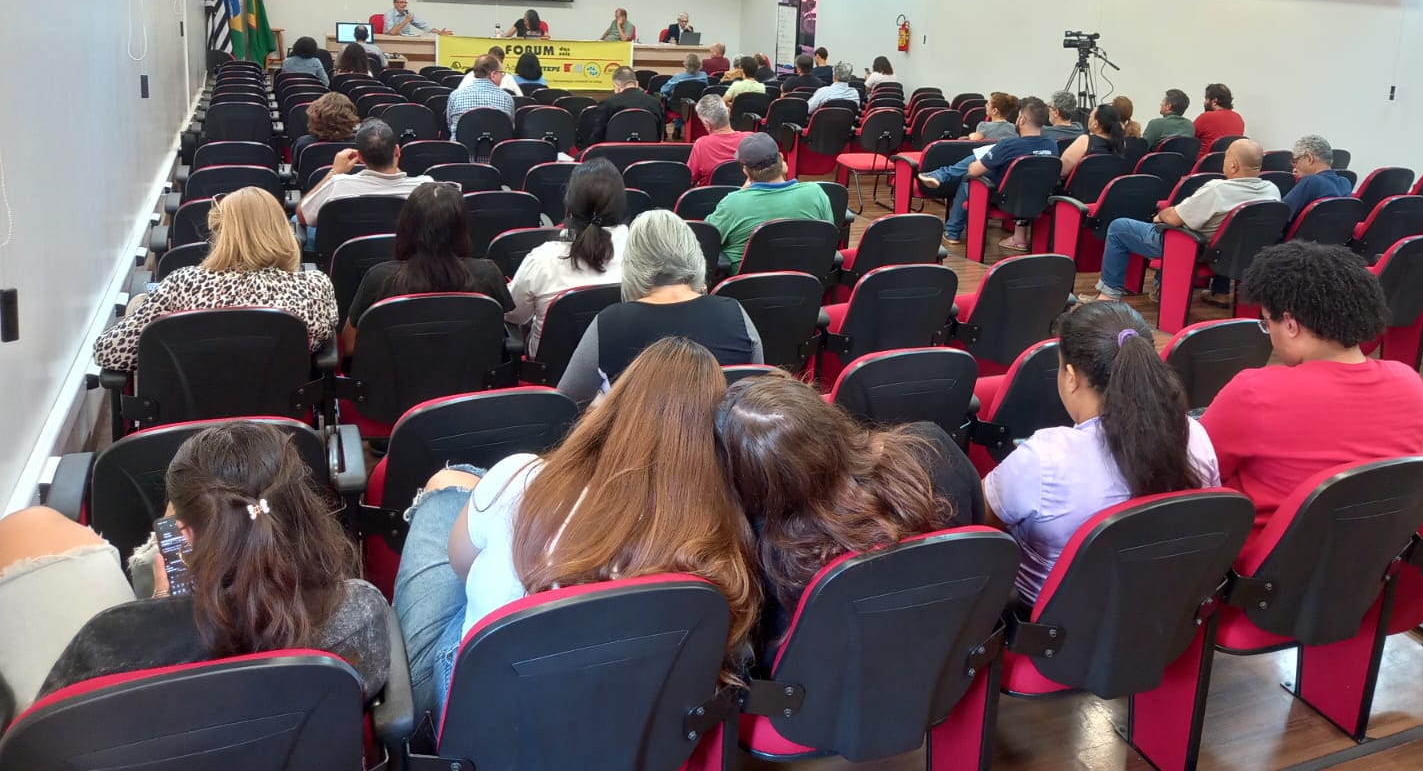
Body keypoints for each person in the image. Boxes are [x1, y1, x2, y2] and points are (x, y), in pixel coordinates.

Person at [392, 336, 760, 717]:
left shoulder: (520, 476)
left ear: (615, 407)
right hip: (623, 723)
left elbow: (460, 564)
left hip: (482, 715)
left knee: (446, 488)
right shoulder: (723, 543)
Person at [0, 422, 390, 713]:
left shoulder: (110, 640)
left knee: (30, 525)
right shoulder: (361, 611)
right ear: (302, 513)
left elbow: (50, 728)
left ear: (183, 536)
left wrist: (161, 607)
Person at [715, 374, 982, 653]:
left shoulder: (768, 562)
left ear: (751, 481)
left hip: (844, 677)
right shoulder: (935, 450)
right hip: (946, 654)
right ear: (827, 416)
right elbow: (978, 540)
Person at [1200, 242, 1423, 557]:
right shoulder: (1409, 382)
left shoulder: (1254, 391)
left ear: (1290, 324)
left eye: (1267, 323)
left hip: (1263, 565)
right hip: (1364, 559)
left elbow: (1199, 471)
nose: (1269, 333)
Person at [983, 302, 1220, 603]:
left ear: (1071, 377)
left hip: (1050, 621)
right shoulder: (1193, 434)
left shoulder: (1045, 458)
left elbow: (979, 517)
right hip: (1161, 609)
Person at [95, 187, 336, 373]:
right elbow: (320, 342)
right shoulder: (315, 286)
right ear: (282, 230)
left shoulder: (183, 285)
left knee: (139, 305)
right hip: (279, 415)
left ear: (221, 233)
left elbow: (108, 352)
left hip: (190, 417)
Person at [558, 211, 762, 406]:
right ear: (694, 253)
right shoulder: (734, 313)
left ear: (632, 263)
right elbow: (757, 393)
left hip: (637, 431)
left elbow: (568, 402)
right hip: (719, 431)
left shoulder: (609, 323)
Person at [1088, 138, 1280, 301]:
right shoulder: (1272, 190)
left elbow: (1174, 219)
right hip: (1235, 252)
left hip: (1191, 247)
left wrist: (1161, 215)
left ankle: (1108, 295)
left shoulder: (1217, 189)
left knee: (1119, 227)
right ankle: (1218, 293)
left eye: (1226, 156)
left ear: (1233, 165)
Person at [340, 183, 515, 351]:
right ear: (462, 229)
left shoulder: (379, 278)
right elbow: (501, 334)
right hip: (475, 372)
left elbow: (350, 345)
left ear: (406, 226)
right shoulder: (488, 273)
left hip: (394, 372)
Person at [508, 161, 629, 342]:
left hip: (552, 360)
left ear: (569, 205)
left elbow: (514, 314)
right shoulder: (642, 253)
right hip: (624, 357)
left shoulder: (542, 259)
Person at [917, 96, 1057, 247]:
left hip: (1002, 197)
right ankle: (942, 175)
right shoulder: (1052, 145)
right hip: (1036, 197)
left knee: (968, 180)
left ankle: (952, 232)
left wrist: (977, 164)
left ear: (1021, 120)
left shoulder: (1009, 145)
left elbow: (973, 171)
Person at [705, 133, 834, 266]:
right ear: (781, 159)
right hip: (807, 277)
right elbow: (829, 237)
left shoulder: (732, 203)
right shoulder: (816, 192)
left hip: (747, 279)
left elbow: (705, 239)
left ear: (746, 171)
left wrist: (741, 193)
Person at [297, 119, 433, 231]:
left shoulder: (338, 185)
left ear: (360, 157)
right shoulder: (426, 188)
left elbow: (302, 216)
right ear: (397, 151)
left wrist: (335, 171)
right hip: (406, 256)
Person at [578, 65, 666, 146]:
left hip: (613, 152)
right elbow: (661, 135)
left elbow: (597, 137)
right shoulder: (655, 103)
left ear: (616, 86)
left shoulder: (607, 103)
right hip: (647, 151)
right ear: (637, 84)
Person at [445, 55, 515, 141]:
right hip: (496, 148)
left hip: (460, 148)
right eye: (501, 73)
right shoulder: (506, 98)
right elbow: (509, 128)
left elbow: (449, 125)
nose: (502, 76)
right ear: (493, 74)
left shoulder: (455, 95)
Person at [687, 95, 746, 186]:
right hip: (745, 193)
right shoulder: (751, 139)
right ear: (728, 112)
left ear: (707, 125)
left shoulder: (701, 144)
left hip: (711, 194)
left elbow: (689, 178)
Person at [1059, 102, 1126, 178]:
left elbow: (1061, 170)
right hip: (1107, 185)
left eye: (1090, 116)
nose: (1088, 119)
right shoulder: (1121, 143)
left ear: (1096, 124)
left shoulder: (1085, 141)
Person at [292, 91, 358, 163]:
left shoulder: (303, 144)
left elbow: (296, 168)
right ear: (350, 116)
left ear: (316, 117)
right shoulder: (360, 145)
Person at [1193, 83, 1245, 158]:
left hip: (1205, 163)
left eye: (1206, 99)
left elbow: (1189, 139)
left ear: (1214, 101)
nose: (1204, 102)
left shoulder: (1206, 117)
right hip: (1229, 163)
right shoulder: (1239, 118)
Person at [384, 0, 450, 37]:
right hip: (390, 39)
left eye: (405, 2)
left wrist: (439, 32)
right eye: (401, 2)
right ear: (395, 4)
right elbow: (392, 32)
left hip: (405, 39)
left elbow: (423, 25)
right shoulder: (389, 14)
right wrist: (406, 20)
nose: (404, 4)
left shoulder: (408, 13)